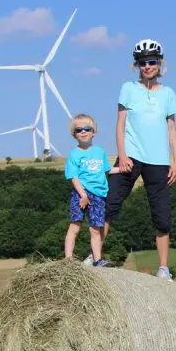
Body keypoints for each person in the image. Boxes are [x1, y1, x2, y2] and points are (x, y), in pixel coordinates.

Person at [104, 39, 176, 280]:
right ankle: (94, 257)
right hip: (131, 156)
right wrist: (123, 155)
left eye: (152, 61)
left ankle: (164, 268)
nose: (147, 66)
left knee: (162, 214)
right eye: (142, 63)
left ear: (160, 63)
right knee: (109, 203)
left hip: (158, 160)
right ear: (136, 66)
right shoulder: (128, 88)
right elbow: (120, 123)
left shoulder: (168, 93)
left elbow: (171, 128)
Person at [64, 113, 119, 267]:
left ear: (94, 132)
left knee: (95, 228)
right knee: (75, 225)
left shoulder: (100, 152)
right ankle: (68, 261)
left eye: (87, 129)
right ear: (73, 135)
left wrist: (122, 169)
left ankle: (97, 260)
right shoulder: (74, 154)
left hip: (99, 195)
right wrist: (82, 195)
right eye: (78, 129)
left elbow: (106, 170)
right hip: (81, 193)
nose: (83, 132)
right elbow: (73, 176)